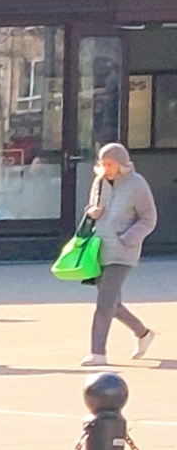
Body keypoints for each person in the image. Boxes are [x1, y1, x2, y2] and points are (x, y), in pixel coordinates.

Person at [82, 142, 156, 366]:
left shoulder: (137, 184)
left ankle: (97, 353)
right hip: (99, 249)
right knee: (112, 303)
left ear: (122, 164)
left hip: (123, 252)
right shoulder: (99, 182)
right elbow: (92, 210)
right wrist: (91, 213)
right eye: (102, 164)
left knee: (104, 302)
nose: (105, 168)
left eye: (110, 164)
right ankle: (143, 333)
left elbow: (149, 218)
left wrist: (128, 239)